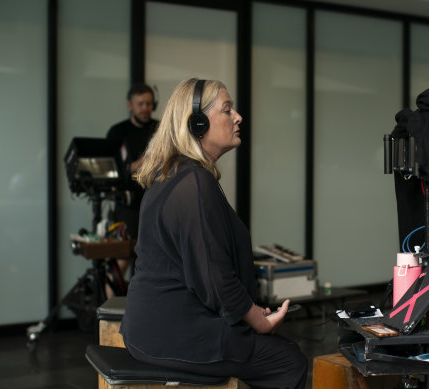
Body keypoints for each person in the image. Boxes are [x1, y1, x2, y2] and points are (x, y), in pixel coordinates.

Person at [119, 78, 308, 389]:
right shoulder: (192, 183)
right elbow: (214, 278)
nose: (238, 117)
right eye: (227, 109)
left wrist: (248, 309)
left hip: (154, 328)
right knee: (288, 361)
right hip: (171, 334)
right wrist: (258, 320)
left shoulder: (176, 175)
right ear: (197, 123)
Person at [105, 83, 158, 297]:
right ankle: (109, 316)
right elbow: (110, 169)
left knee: (153, 261)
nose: (145, 108)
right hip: (128, 208)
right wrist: (137, 164)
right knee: (122, 260)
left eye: (149, 103)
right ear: (130, 105)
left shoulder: (160, 128)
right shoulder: (118, 132)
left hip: (155, 205)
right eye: (141, 104)